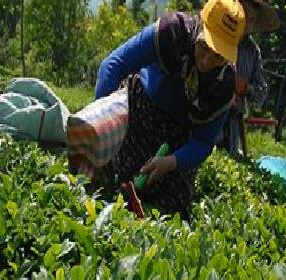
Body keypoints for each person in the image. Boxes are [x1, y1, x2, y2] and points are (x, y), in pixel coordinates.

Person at [85, 0, 246, 219]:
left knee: (173, 207)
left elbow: (203, 141)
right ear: (199, 24)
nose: (207, 61)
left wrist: (171, 162)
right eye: (204, 47)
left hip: (177, 137)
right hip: (140, 110)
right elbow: (113, 65)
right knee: (114, 176)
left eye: (218, 56)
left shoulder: (224, 83)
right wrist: (101, 122)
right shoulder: (170, 32)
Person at [221, 0, 279, 158]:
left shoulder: (252, 51)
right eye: (243, 14)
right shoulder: (219, 37)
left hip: (233, 125)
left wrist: (247, 88)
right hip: (207, 117)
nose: (246, 22)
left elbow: (262, 93)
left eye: (251, 19)